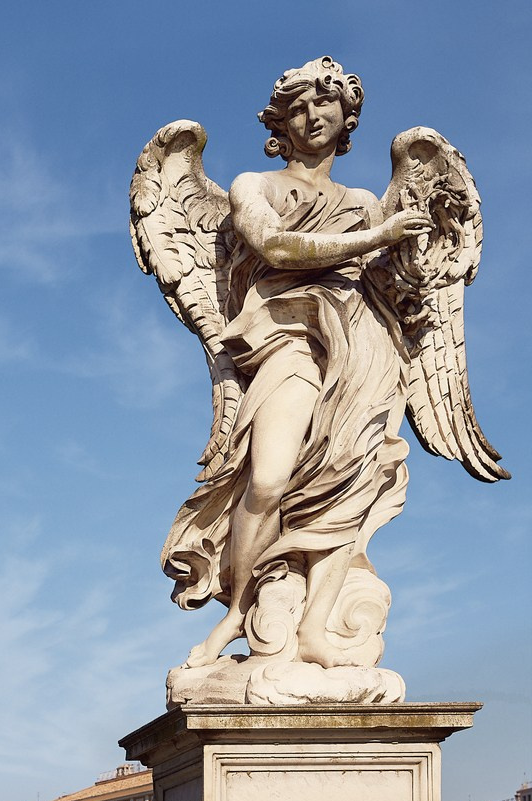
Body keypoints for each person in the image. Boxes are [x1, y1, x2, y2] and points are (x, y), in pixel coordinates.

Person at [161, 56, 430, 669]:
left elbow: (393, 287)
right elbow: (276, 246)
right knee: (268, 478)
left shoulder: (363, 199)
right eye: (300, 106)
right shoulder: (252, 186)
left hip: (362, 347)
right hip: (286, 338)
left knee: (351, 483)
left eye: (326, 104)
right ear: (280, 120)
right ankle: (239, 608)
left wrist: (413, 261)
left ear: (347, 116)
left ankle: (313, 629)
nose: (314, 116)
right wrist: (377, 238)